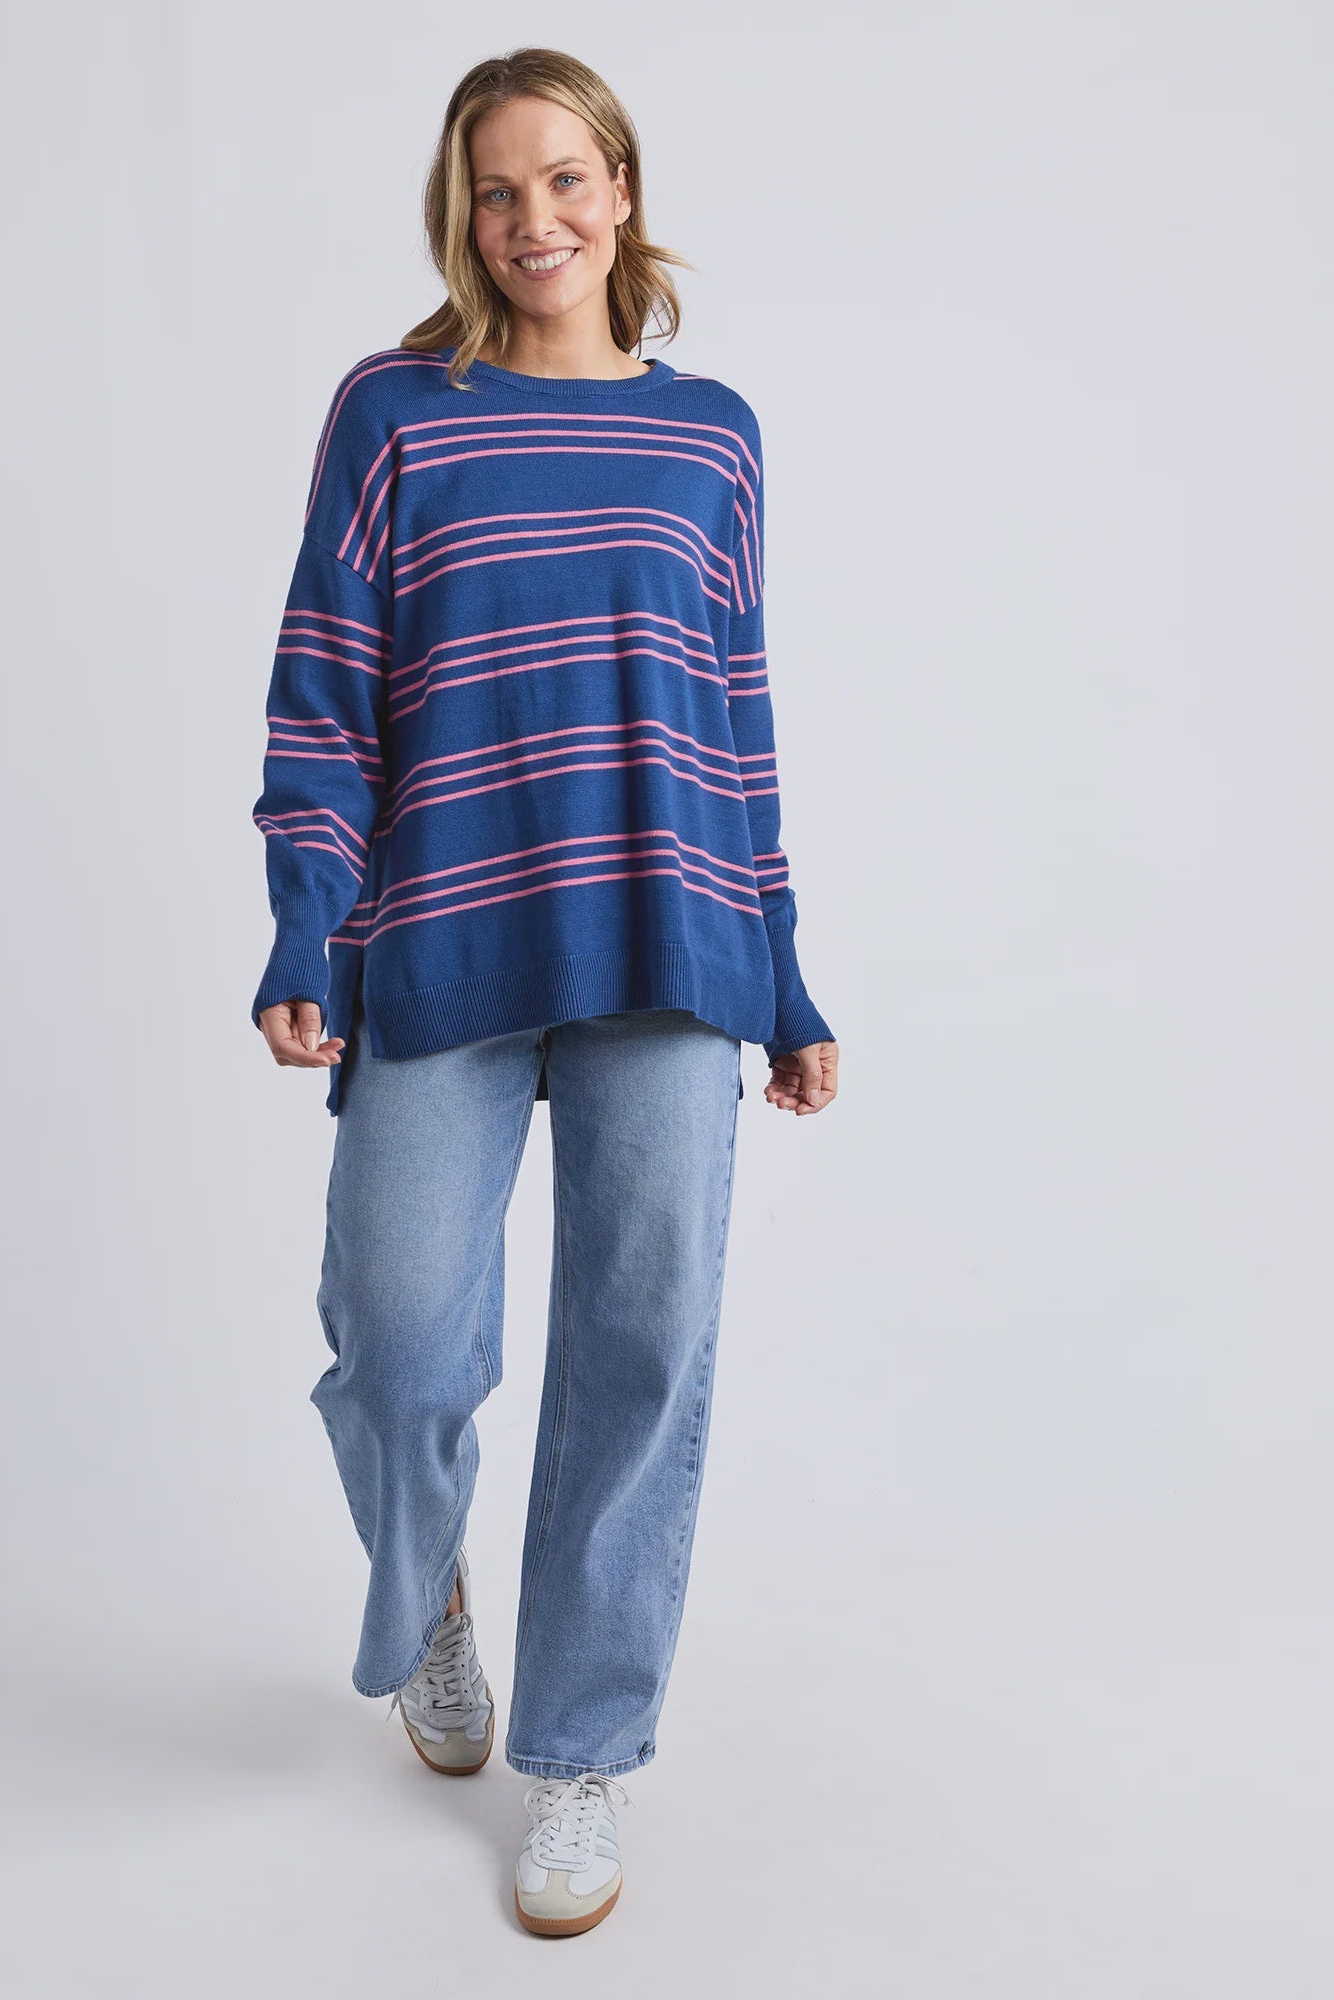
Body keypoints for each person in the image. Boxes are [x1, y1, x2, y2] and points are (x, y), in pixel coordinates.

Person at [251, 47, 840, 1937]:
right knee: (400, 1333)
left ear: (624, 189)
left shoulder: (713, 436)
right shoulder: (396, 412)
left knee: (638, 1348)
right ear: (461, 213)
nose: (535, 221)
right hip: (441, 932)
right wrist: (304, 923)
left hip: (673, 942)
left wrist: (786, 972)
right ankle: (430, 1589)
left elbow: (736, 717)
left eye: (567, 179)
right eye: (497, 190)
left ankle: (582, 1750)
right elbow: (325, 691)